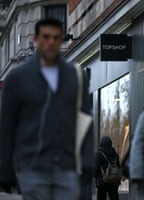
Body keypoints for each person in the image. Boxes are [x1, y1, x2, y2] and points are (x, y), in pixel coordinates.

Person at [0, 18, 94, 200]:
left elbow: (85, 119)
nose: (50, 42)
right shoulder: (17, 78)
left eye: (56, 37)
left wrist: (88, 161)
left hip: (67, 167)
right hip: (32, 167)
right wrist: (5, 168)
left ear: (61, 41)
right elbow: (7, 126)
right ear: (36, 39)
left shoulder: (75, 76)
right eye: (46, 37)